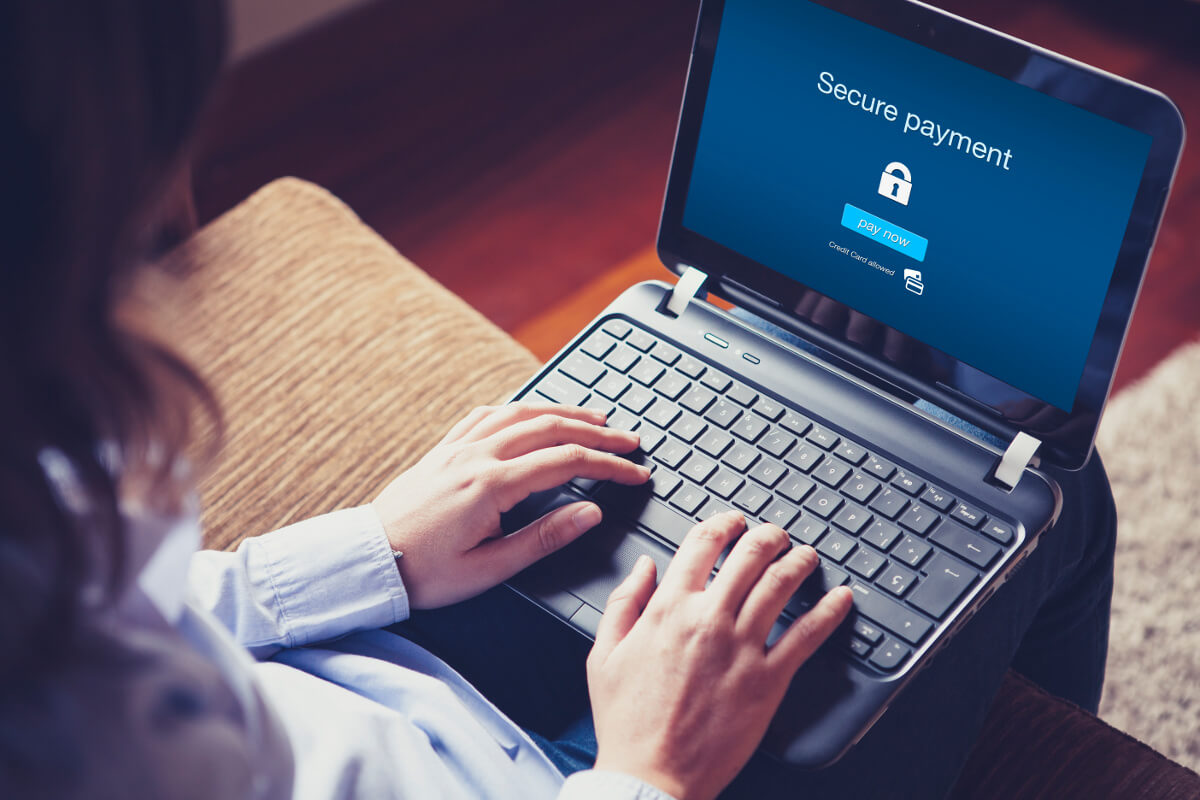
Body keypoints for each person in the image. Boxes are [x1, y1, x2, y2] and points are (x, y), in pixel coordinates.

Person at [0, 2, 1117, 799]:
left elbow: (139, 609)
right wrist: (647, 769)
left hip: (400, 678)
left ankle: (888, 304)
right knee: (1054, 483)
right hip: (582, 767)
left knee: (869, 379)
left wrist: (368, 551)